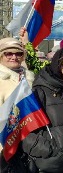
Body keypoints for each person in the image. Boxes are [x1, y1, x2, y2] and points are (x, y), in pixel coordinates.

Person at [21, 46, 63, 172]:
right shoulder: (39, 91)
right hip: (49, 166)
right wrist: (48, 149)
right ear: (57, 64)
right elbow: (25, 130)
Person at [0, 37, 35, 172]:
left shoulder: (30, 78)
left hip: (30, 142)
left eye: (18, 53)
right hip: (7, 145)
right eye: (8, 53)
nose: (14, 57)